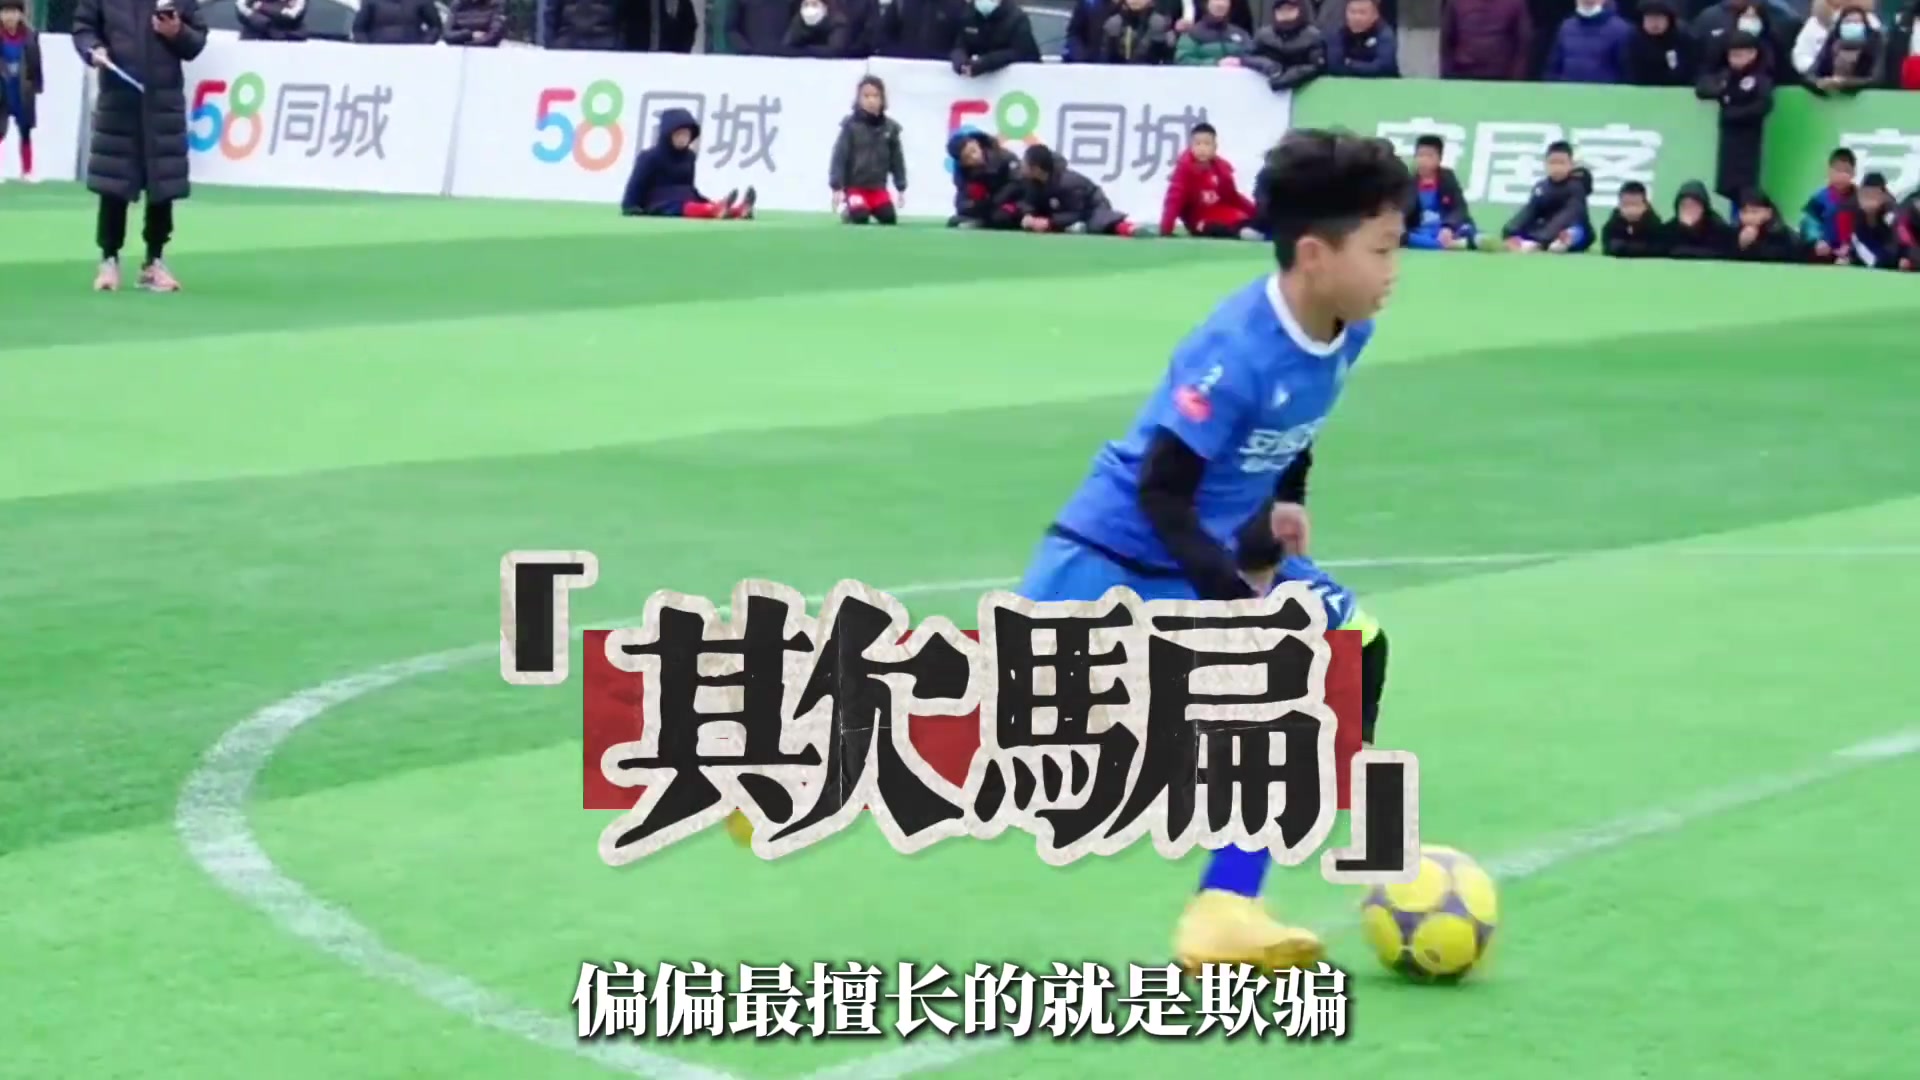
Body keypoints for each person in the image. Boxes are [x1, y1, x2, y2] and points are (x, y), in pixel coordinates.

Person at [1014, 130, 1409, 973]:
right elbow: (1160, 491)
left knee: (1349, 646)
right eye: (1381, 250)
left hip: (1211, 551)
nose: (1394, 269)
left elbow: (1297, 421)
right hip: (1112, 561)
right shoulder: (1234, 351)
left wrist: (1287, 502)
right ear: (1315, 256)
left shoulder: (1348, 328)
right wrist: (1234, 600)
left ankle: (1228, 903)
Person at [73, 0, 207, 292]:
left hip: (163, 100)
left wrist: (177, 32)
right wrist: (93, 49)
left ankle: (154, 261)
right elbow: (84, 28)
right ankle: (109, 258)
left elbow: (196, 41)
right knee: (114, 183)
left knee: (162, 184)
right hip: (118, 99)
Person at [619, 108, 756, 221]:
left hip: (685, 196)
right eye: (679, 135)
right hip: (658, 201)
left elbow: (688, 184)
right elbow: (636, 184)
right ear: (667, 135)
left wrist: (698, 197)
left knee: (704, 203)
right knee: (684, 206)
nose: (683, 139)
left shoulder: (689, 157)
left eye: (686, 135)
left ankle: (739, 210)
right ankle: (715, 210)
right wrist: (630, 205)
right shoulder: (649, 157)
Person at [1697, 29, 1771, 213]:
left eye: (1740, 54)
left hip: (1748, 140)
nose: (1735, 59)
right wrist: (1719, 91)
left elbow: (1763, 105)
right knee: (1729, 187)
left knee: (1746, 188)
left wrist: (1732, 113)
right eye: (1732, 55)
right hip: (1729, 140)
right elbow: (1702, 88)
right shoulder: (1726, 76)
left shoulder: (1760, 78)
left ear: (1753, 54)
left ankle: (1747, 219)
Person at [1015, 144, 1150, 237]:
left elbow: (1077, 212)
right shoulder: (1032, 181)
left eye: (1025, 163)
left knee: (1098, 223)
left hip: (1090, 207)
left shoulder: (1068, 182)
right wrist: (1028, 215)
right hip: (1061, 211)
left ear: (1036, 169)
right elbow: (1029, 202)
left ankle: (1130, 229)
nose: (1021, 166)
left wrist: (1050, 222)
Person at [1159, 122, 1259, 239]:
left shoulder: (1222, 169)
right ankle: (1241, 234)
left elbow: (1233, 197)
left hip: (1222, 213)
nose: (1202, 149)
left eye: (1207, 144)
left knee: (1245, 220)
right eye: (1198, 144)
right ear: (1191, 146)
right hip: (1198, 220)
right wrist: (1166, 229)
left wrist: (1257, 213)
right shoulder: (1184, 169)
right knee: (1210, 227)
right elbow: (1173, 200)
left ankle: (1254, 230)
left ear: (1215, 147)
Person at [829, 76, 907, 226]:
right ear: (858, 99)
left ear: (882, 99)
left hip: (878, 188)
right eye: (866, 96)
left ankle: (871, 206)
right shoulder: (850, 126)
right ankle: (850, 209)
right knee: (860, 217)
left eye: (876, 96)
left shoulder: (891, 128)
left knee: (889, 218)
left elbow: (897, 160)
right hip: (855, 187)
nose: (871, 101)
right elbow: (839, 156)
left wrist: (901, 185)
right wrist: (836, 185)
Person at [1500, 141, 1593, 253]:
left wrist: (1542, 239)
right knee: (1525, 229)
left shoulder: (1577, 187)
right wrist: (1510, 231)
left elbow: (1568, 215)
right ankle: (1530, 243)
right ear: (1545, 165)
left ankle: (1557, 242)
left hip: (1572, 229)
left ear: (1571, 165)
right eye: (1552, 162)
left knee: (1574, 232)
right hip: (1545, 229)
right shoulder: (1541, 187)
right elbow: (1528, 212)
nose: (1557, 167)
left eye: (1562, 163)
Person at [1402, 133, 1477, 251]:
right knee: (1402, 236)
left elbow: (1459, 208)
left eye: (1429, 156)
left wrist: (1448, 227)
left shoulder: (1448, 177)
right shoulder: (1408, 180)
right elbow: (1403, 212)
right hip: (1420, 229)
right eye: (1420, 155)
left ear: (1439, 159)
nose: (1423, 160)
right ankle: (1454, 244)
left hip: (1445, 227)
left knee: (1467, 228)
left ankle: (1451, 242)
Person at [1440, 0, 1532, 81]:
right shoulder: (1456, 2)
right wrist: (1447, 79)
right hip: (1462, 75)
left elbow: (1524, 45)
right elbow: (1446, 41)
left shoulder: (1515, 3)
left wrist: (1515, 83)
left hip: (1500, 77)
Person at [1246, 0, 1327, 91]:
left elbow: (1316, 66)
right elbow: (1247, 57)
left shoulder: (1313, 36)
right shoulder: (1263, 35)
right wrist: (1266, 65)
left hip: (1302, 90)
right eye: (1281, 10)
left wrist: (1288, 77)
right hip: (1264, 89)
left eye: (1290, 9)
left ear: (1300, 10)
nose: (1285, 14)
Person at [0, 0, 40, 184]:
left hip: (23, 89)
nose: (9, 16)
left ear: (20, 14)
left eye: (13, 12)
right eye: (5, 12)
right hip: (2, 89)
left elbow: (36, 63)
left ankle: (27, 170)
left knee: (25, 130)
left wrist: (37, 85)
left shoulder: (30, 36)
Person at [947, 130, 1021, 229]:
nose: (974, 157)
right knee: (960, 209)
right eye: (967, 158)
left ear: (976, 143)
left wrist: (993, 201)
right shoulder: (962, 171)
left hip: (1008, 199)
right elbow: (962, 195)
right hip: (984, 204)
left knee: (1001, 217)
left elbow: (1016, 184)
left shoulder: (1004, 156)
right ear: (962, 163)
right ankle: (981, 220)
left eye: (973, 151)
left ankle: (981, 222)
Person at [1545, 0, 1631, 83]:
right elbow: (1552, 70)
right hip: (1567, 91)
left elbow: (1627, 76)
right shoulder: (1566, 28)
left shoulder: (1621, 30)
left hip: (1604, 92)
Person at [1799, 147, 1858, 264]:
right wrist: (1817, 241)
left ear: (1853, 173)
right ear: (1829, 171)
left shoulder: (1860, 199)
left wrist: (1850, 248)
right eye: (1837, 170)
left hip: (1852, 254)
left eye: (1846, 171)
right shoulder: (1819, 198)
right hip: (1824, 253)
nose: (1841, 175)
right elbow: (1810, 223)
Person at [951, 0, 1039, 76]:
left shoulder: (1017, 18)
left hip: (1012, 79)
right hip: (978, 79)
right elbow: (961, 45)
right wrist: (960, 61)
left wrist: (985, 63)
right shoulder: (968, 14)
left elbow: (1022, 52)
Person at [1626, 0, 1695, 85]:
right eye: (1650, 19)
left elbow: (1690, 69)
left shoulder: (1683, 36)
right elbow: (1629, 72)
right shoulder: (1633, 39)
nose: (1654, 24)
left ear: (1669, 19)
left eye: (1659, 18)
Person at [1663, 180, 1734, 259]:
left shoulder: (1721, 232)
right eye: (1684, 206)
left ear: (1704, 208)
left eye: (1694, 205)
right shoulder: (1667, 232)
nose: (1689, 210)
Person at [1325, 0, 1398, 76]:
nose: (1357, 18)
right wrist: (1367, 66)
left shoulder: (1384, 33)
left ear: (1375, 15)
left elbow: (1384, 67)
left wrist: (1350, 63)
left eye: (1362, 13)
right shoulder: (1338, 31)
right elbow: (1335, 66)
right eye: (1352, 12)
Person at [1729, 189, 1803, 263]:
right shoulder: (1733, 233)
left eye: (1754, 212)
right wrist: (1741, 245)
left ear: (1768, 213)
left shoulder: (1783, 235)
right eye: (1744, 212)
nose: (1749, 217)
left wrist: (1751, 246)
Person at [1175, 0, 1255, 66]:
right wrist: (1215, 63)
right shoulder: (1192, 34)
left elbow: (1253, 56)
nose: (1220, 4)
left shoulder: (1240, 34)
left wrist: (1240, 61)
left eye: (1225, 1)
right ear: (1207, 4)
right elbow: (1183, 60)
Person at [1847, 172, 1900, 268]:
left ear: (1884, 195)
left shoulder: (1891, 211)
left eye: (1875, 194)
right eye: (1867, 194)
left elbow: (1893, 244)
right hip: (1863, 243)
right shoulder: (1851, 207)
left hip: (1883, 243)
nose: (1870, 199)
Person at [1601, 180, 1666, 257]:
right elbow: (1611, 248)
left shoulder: (1656, 226)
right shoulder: (1611, 226)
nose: (1631, 210)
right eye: (1626, 205)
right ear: (1619, 205)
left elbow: (1656, 249)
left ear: (1645, 205)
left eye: (1635, 205)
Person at [352, 0, 442, 43]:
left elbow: (435, 26)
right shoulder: (370, 2)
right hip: (378, 52)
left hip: (412, 53)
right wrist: (368, 48)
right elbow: (359, 29)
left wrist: (423, 45)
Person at [785, 0, 853, 56]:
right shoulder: (798, 20)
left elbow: (834, 51)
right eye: (806, 5)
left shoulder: (838, 22)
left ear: (825, 8)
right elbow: (787, 46)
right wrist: (805, 29)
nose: (810, 9)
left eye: (815, 5)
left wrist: (804, 49)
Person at [235, 0, 306, 40]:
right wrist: (258, 18)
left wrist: (262, 7)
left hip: (288, 41)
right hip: (253, 40)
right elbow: (241, 7)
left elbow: (293, 16)